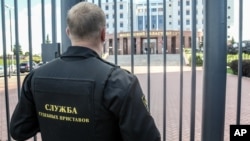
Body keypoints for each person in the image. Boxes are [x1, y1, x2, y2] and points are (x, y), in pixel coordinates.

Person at [10, 2, 161, 141]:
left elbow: (19, 130)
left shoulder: (35, 77)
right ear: (103, 34)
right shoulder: (119, 81)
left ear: (68, 32)